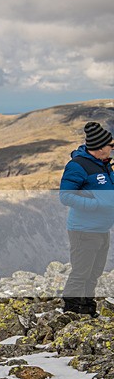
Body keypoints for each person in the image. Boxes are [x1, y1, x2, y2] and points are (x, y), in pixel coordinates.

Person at [59, 121, 114, 316]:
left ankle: (88, 311)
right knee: (81, 273)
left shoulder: (104, 165)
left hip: (101, 229)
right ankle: (71, 314)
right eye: (111, 145)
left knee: (94, 273)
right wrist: (96, 205)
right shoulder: (78, 166)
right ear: (100, 147)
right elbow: (65, 196)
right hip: (84, 230)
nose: (113, 148)